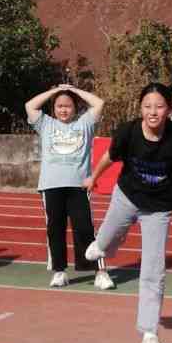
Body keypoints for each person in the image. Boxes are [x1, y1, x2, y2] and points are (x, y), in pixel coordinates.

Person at [83, 82, 172, 343]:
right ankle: (102, 246)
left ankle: (149, 336)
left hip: (158, 209)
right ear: (140, 108)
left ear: (169, 109)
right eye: (147, 106)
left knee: (153, 270)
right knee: (104, 244)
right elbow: (110, 156)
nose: (153, 112)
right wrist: (94, 178)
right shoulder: (129, 131)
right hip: (127, 196)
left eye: (159, 106)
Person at [25, 83, 114, 291]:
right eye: (59, 106)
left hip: (78, 186)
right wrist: (54, 92)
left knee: (85, 228)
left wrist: (73, 91)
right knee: (55, 229)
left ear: (75, 107)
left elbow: (99, 103)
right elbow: (30, 105)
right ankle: (59, 271)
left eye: (68, 105)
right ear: (53, 109)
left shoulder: (85, 124)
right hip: (51, 185)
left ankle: (100, 272)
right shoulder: (45, 124)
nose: (63, 109)